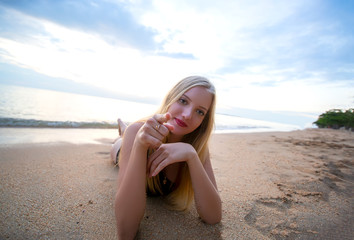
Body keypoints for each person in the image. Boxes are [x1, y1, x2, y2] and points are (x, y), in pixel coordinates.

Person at [114, 76, 222, 239]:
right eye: (183, 101)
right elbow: (125, 233)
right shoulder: (137, 133)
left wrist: (191, 156)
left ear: (204, 121)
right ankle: (124, 130)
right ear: (171, 98)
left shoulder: (198, 149)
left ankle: (124, 130)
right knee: (119, 142)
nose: (187, 115)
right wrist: (139, 144)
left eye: (199, 111)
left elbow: (213, 216)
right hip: (123, 147)